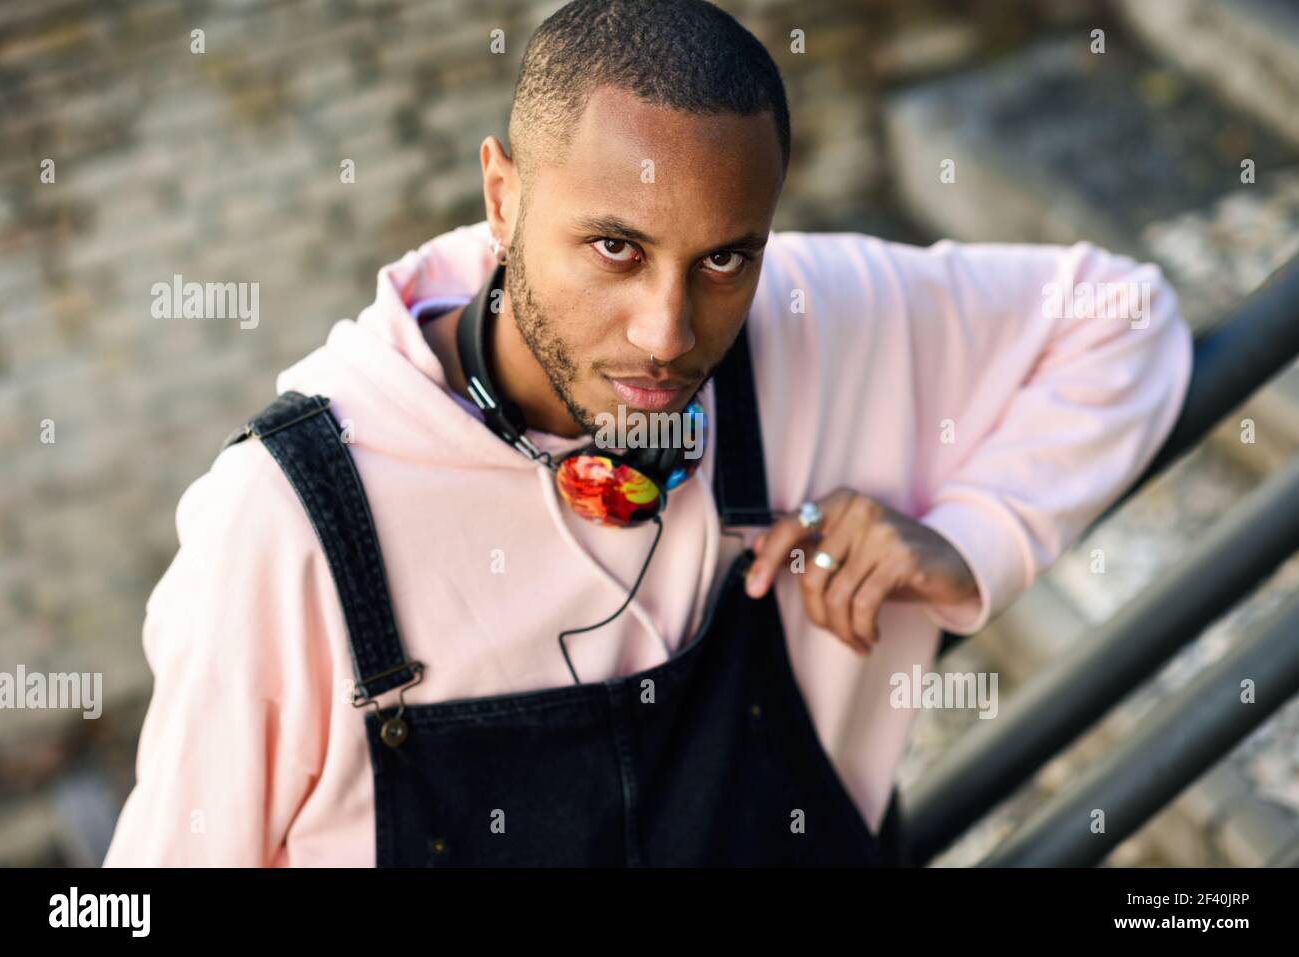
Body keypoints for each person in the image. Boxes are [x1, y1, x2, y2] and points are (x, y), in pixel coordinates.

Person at [103, 0, 1193, 867]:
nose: (667, 334)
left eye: (725, 258)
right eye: (614, 248)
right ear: (501, 193)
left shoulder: (808, 318)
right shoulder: (289, 524)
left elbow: (1122, 317)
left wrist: (976, 536)